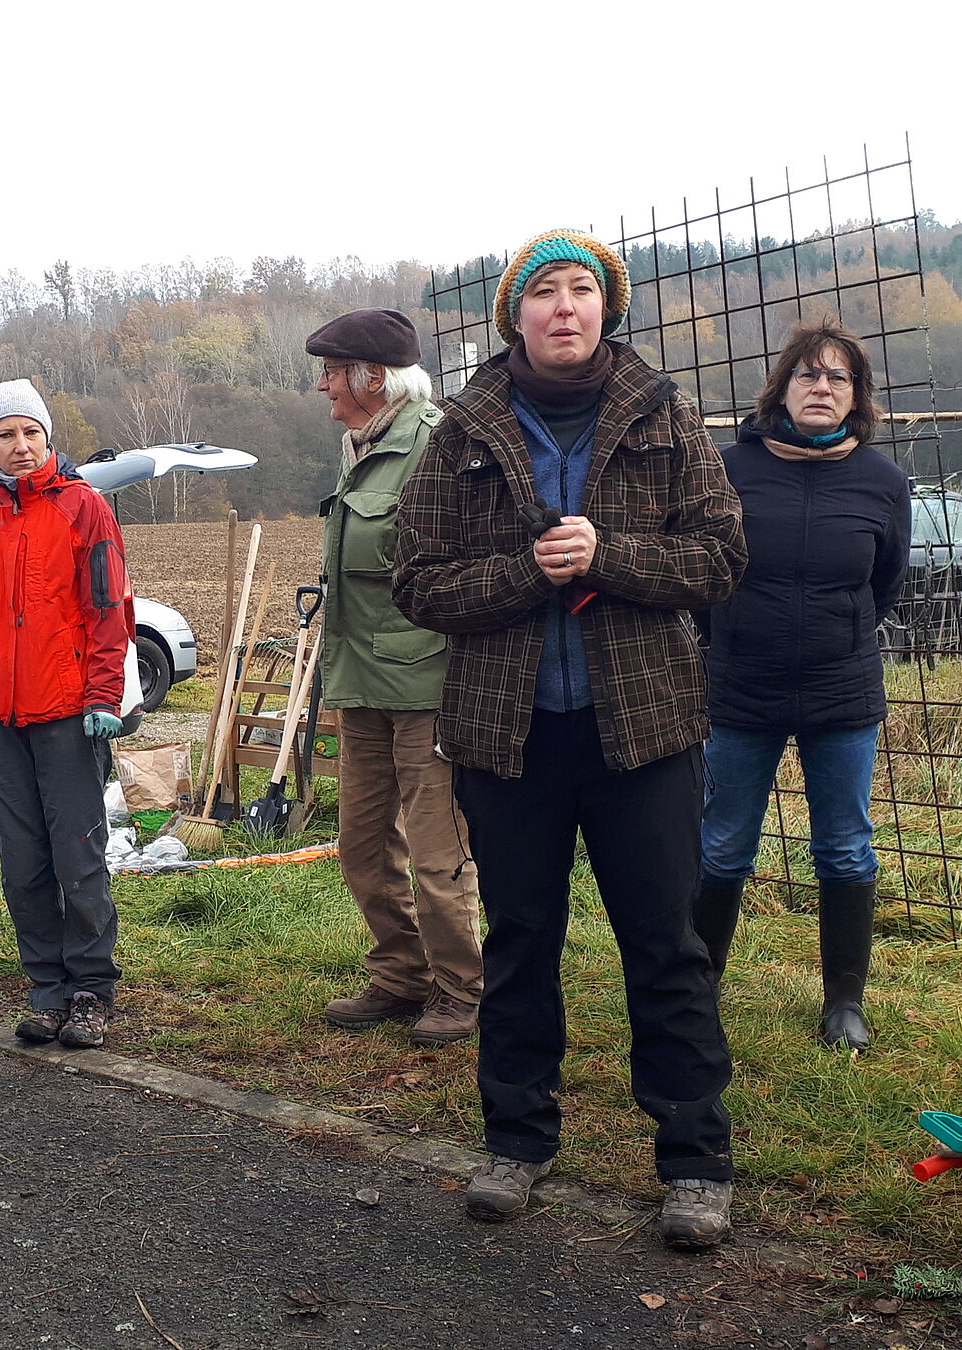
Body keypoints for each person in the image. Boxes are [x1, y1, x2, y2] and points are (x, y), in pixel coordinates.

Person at [393, 229, 746, 1247]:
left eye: (581, 290)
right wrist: (525, 573)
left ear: (606, 310)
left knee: (666, 947)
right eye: (543, 291)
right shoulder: (460, 429)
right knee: (519, 941)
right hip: (510, 740)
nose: (563, 306)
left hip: (645, 735)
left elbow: (722, 558)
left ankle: (693, 1160)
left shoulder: (663, 415)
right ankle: (516, 1142)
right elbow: (417, 580)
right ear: (515, 316)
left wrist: (609, 557)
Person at [692, 318, 911, 1050]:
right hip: (738, 689)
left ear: (858, 397)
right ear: (781, 389)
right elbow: (700, 573)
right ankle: (698, 990)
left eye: (838, 377)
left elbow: (884, 584)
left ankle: (844, 1002)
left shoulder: (882, 481)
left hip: (841, 693)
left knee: (846, 847)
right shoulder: (729, 469)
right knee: (723, 844)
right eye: (808, 375)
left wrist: (836, 636)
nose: (822, 387)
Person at [0, 378, 135, 1049]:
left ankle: (91, 990)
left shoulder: (84, 508)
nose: (20, 447)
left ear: (48, 438)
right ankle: (46, 990)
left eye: (30, 433)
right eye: (5, 434)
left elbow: (110, 611)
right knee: (21, 861)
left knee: (78, 855)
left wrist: (105, 696)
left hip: (66, 716)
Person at [305, 309, 483, 1047]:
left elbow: (460, 568)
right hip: (360, 680)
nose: (322, 386)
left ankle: (461, 990)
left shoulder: (436, 445)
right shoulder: (360, 446)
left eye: (332, 372)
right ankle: (401, 975)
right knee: (363, 845)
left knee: (439, 855)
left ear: (372, 378)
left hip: (426, 686)